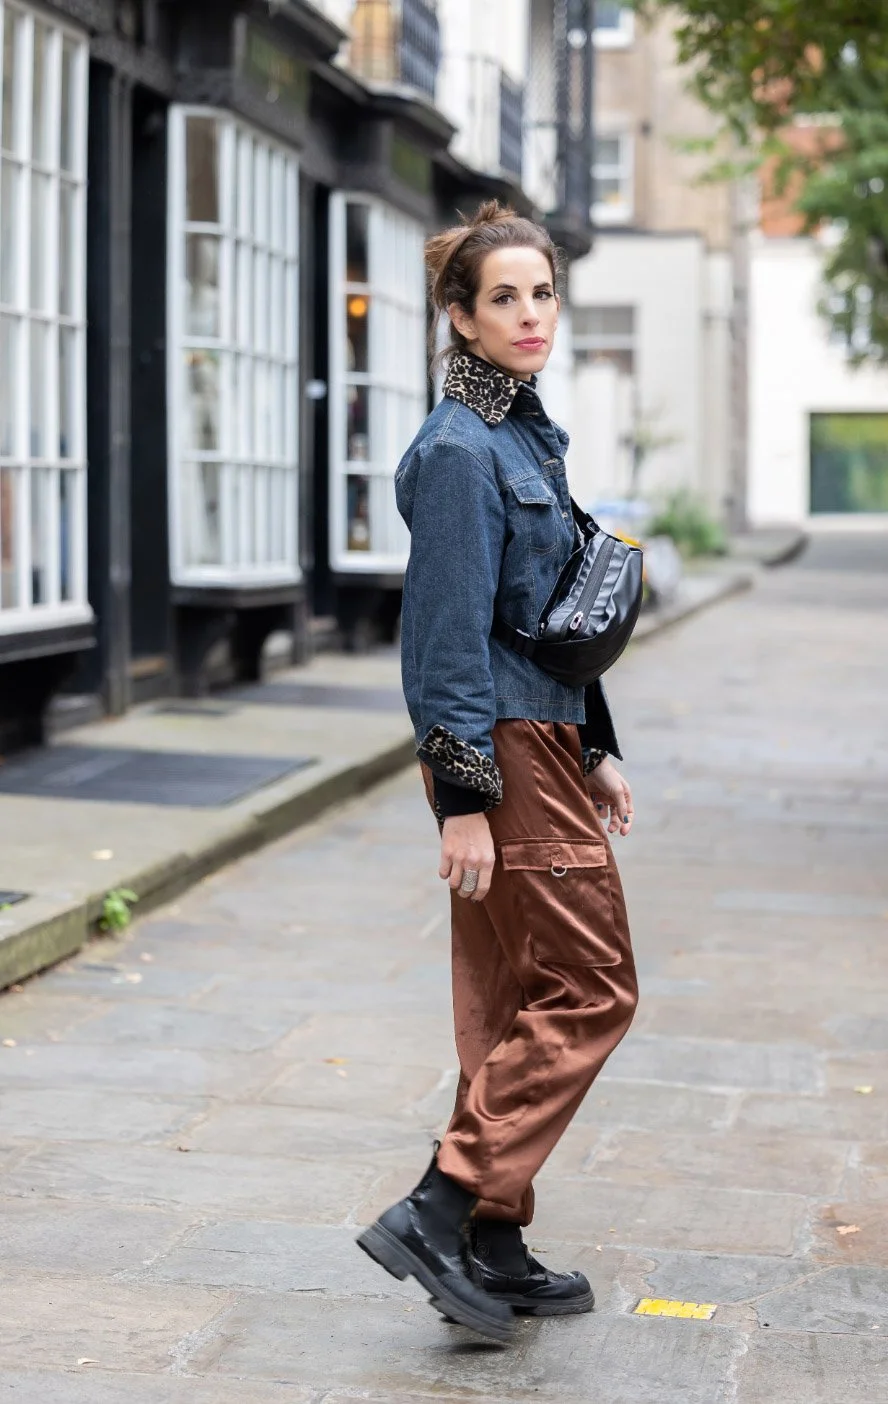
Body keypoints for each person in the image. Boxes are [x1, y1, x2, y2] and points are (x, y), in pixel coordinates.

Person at [357, 201, 639, 1343]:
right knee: (593, 985)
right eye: (505, 298)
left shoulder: (527, 434)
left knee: (512, 998)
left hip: (546, 736)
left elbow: (552, 614)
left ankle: (491, 1235)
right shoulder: (461, 450)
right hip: (501, 754)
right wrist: (465, 802)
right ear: (461, 321)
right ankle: (439, 1203)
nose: (532, 315)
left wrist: (600, 740)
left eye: (543, 293)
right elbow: (445, 639)